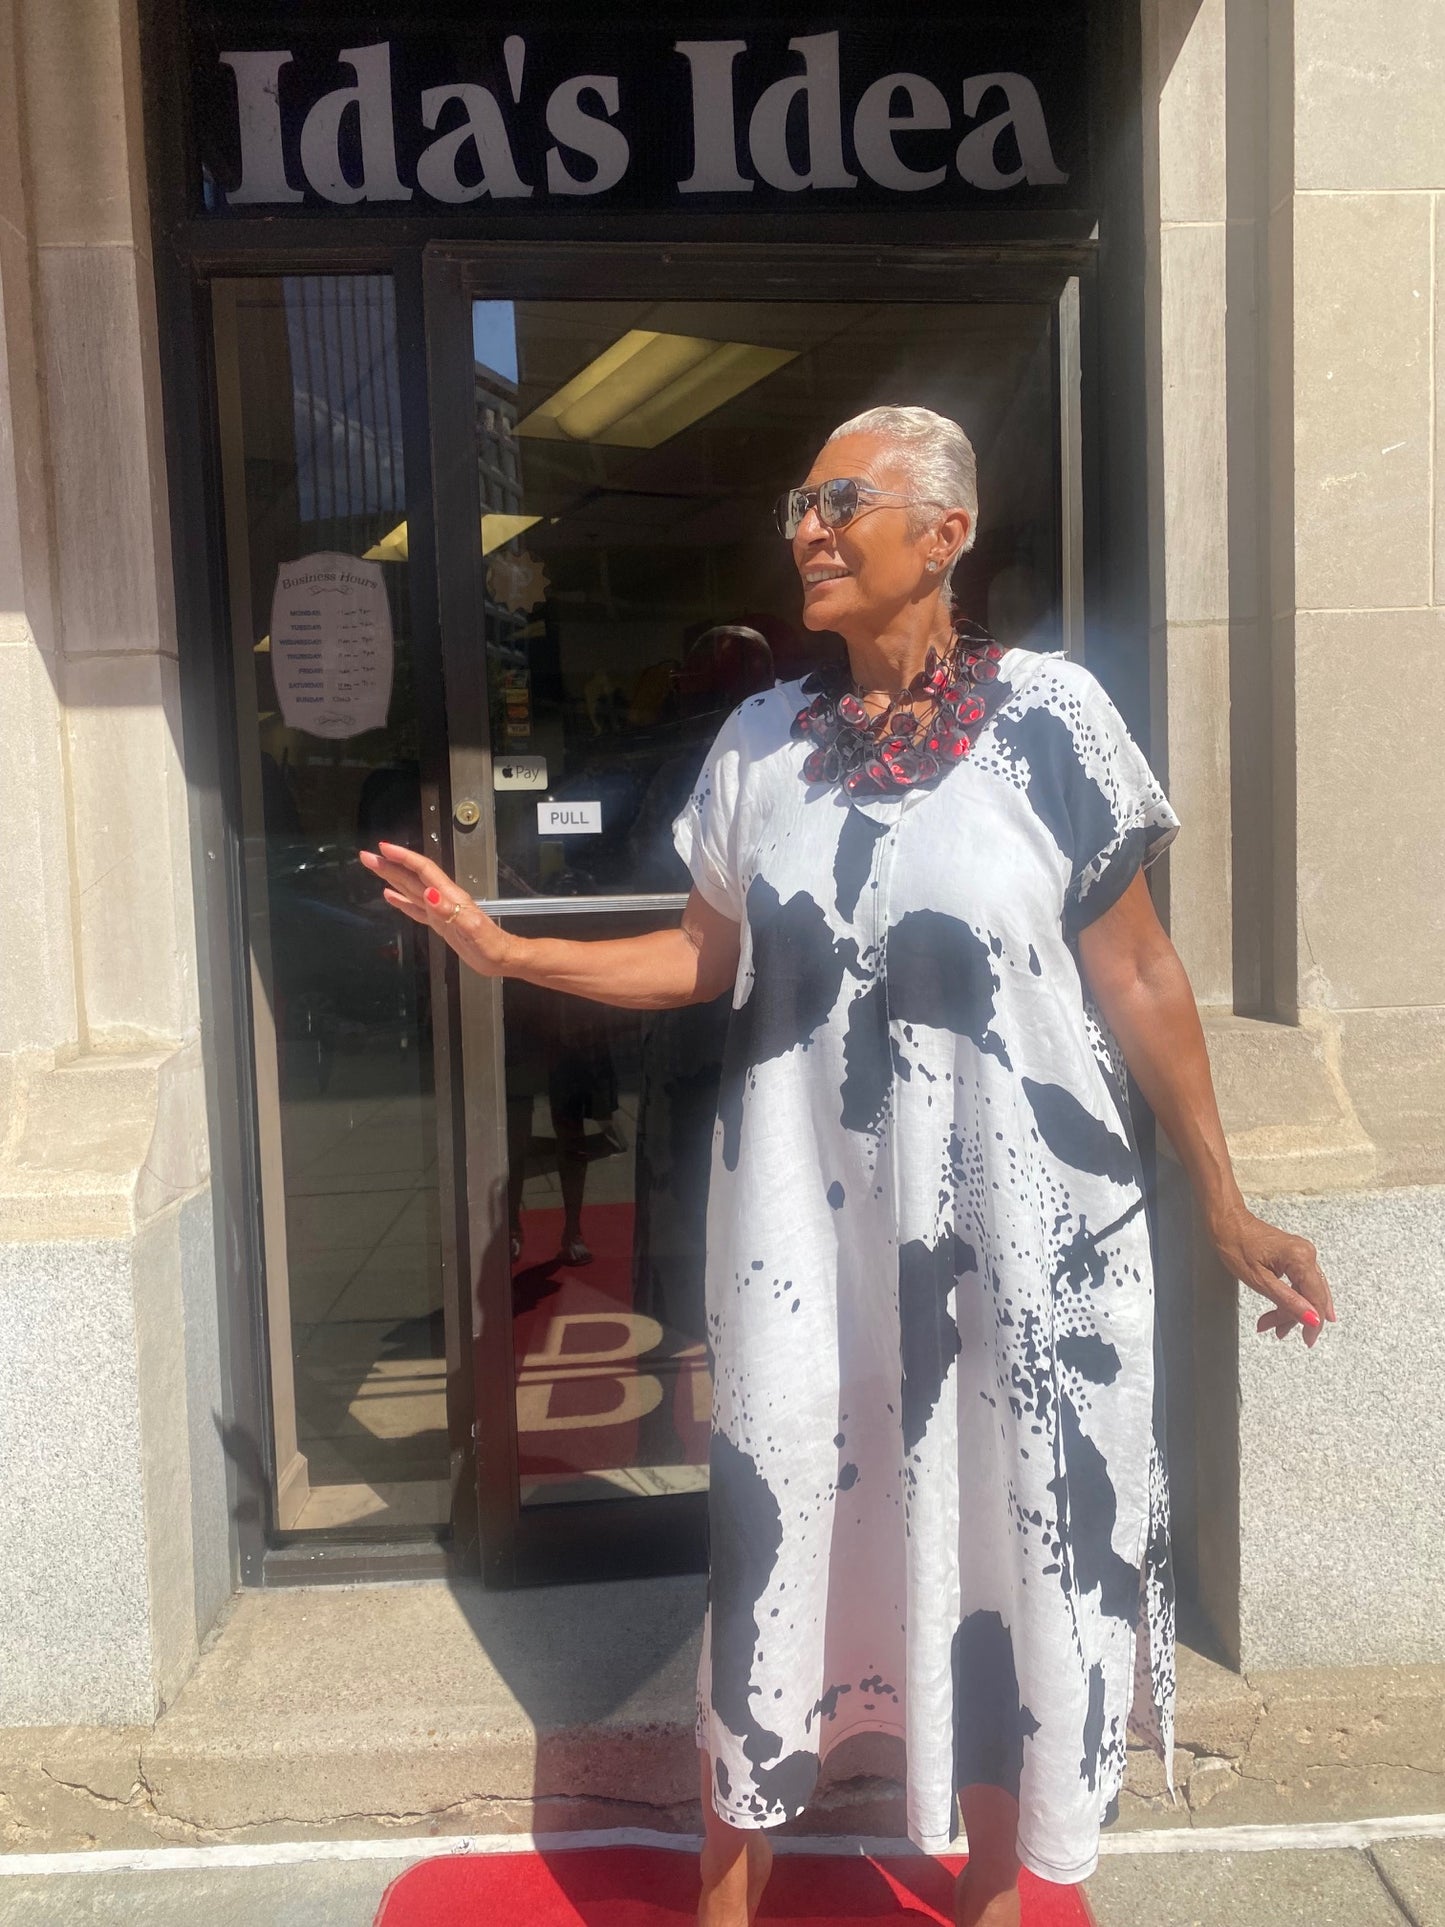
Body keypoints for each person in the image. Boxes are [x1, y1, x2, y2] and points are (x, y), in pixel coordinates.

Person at [361, 404, 1337, 1927]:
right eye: (794, 506)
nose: (804, 529)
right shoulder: (761, 744)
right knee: (777, 1534)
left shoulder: (1052, 720)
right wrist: (497, 951)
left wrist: (1222, 1193)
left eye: (840, 500)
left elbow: (1137, 977)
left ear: (943, 532)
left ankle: (1012, 1886)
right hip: (803, 1244)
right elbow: (700, 959)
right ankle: (727, 1901)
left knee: (1018, 1533)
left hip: (1030, 1232)